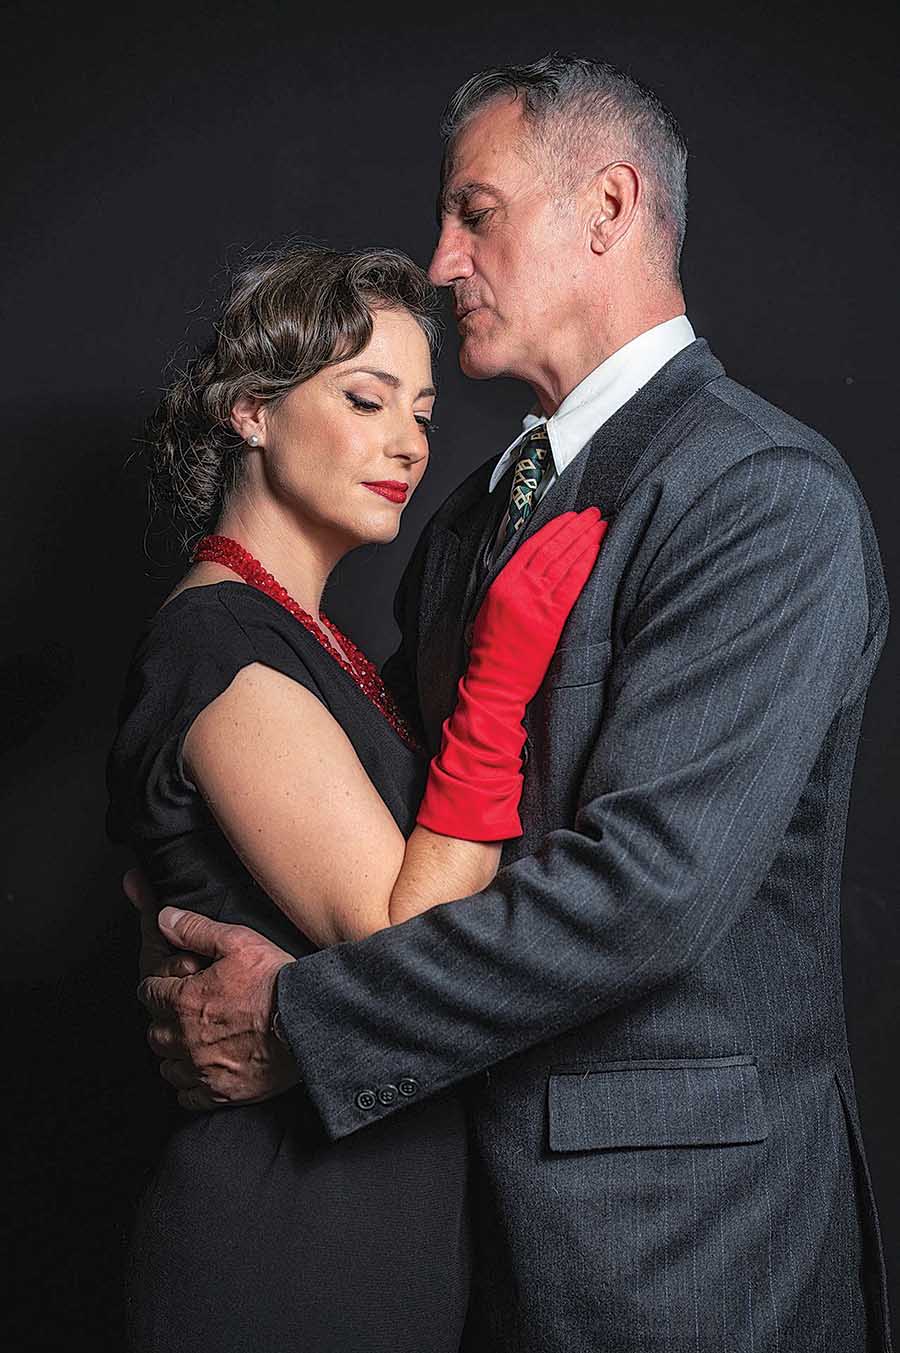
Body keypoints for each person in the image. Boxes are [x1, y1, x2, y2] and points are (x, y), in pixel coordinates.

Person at [134, 57, 893, 1352]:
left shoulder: (760, 494)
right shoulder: (470, 521)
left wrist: (303, 1023)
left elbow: (647, 892)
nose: (441, 262)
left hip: (672, 1238)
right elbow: (388, 814)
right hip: (431, 1223)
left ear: (609, 208)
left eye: (474, 213)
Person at [107, 242, 605, 1351]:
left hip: (380, 1222)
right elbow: (406, 942)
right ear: (250, 411)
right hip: (286, 1236)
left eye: (423, 413)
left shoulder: (308, 640)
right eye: (367, 399)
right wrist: (497, 687)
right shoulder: (219, 643)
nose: (410, 444)